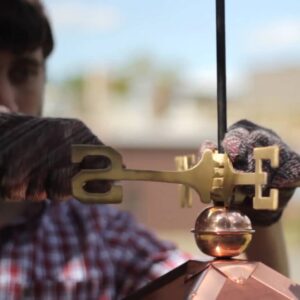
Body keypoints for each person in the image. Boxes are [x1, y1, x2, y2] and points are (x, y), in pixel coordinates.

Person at [0, 0, 299, 299]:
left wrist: (259, 219)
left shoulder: (97, 236)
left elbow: (223, 290)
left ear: (44, 78)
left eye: (23, 73)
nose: (7, 102)